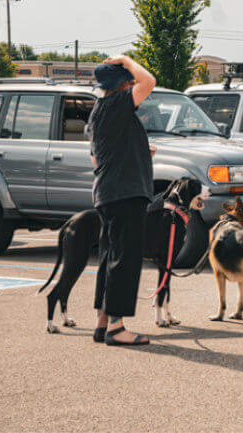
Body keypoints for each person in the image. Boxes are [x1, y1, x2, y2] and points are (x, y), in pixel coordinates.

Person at [88, 55, 156, 346]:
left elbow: (96, 157)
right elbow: (149, 81)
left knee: (110, 259)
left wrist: (139, 152)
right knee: (124, 261)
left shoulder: (98, 112)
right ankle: (117, 328)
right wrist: (127, 60)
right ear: (121, 84)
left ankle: (103, 323)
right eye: (128, 79)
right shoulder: (116, 105)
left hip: (109, 193)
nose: (132, 83)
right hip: (125, 194)